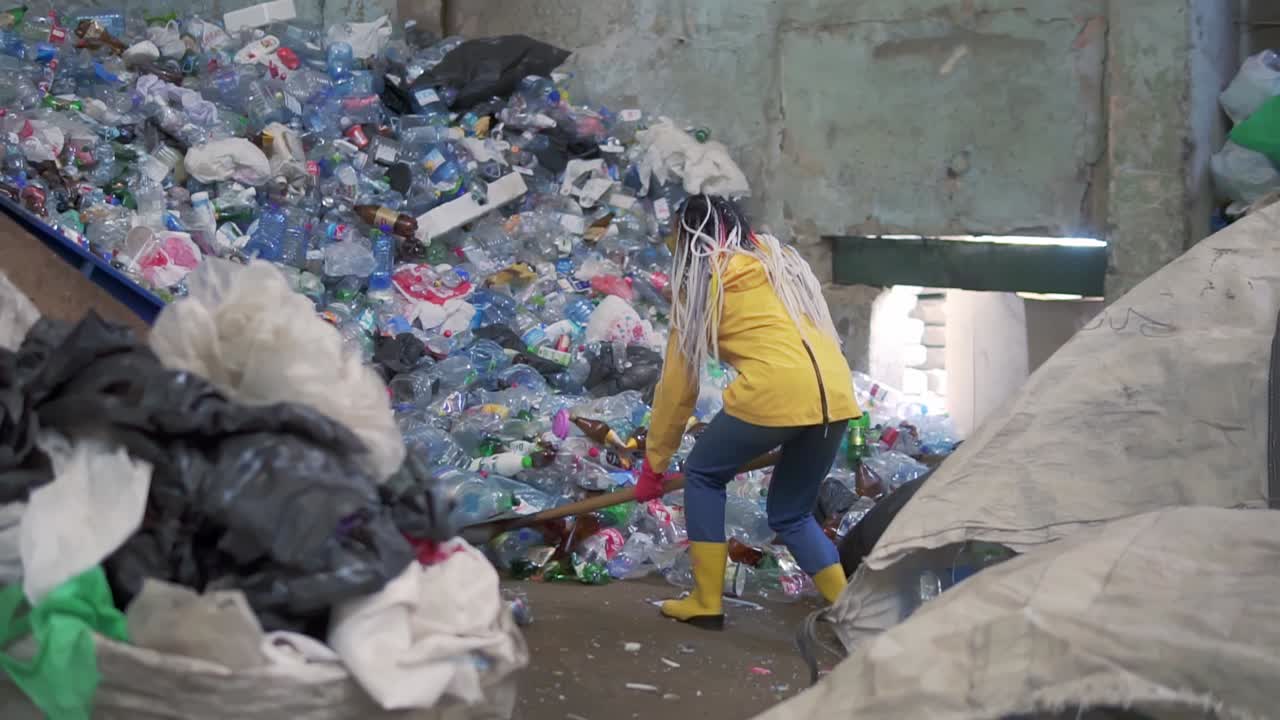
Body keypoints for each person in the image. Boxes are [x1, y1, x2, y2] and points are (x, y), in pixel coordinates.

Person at [635, 194, 860, 630]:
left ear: (692, 237)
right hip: (836, 393)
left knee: (703, 473)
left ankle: (705, 600)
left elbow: (680, 387)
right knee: (791, 513)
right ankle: (854, 612)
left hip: (773, 392)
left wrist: (655, 463)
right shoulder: (782, 267)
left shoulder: (704, 281)